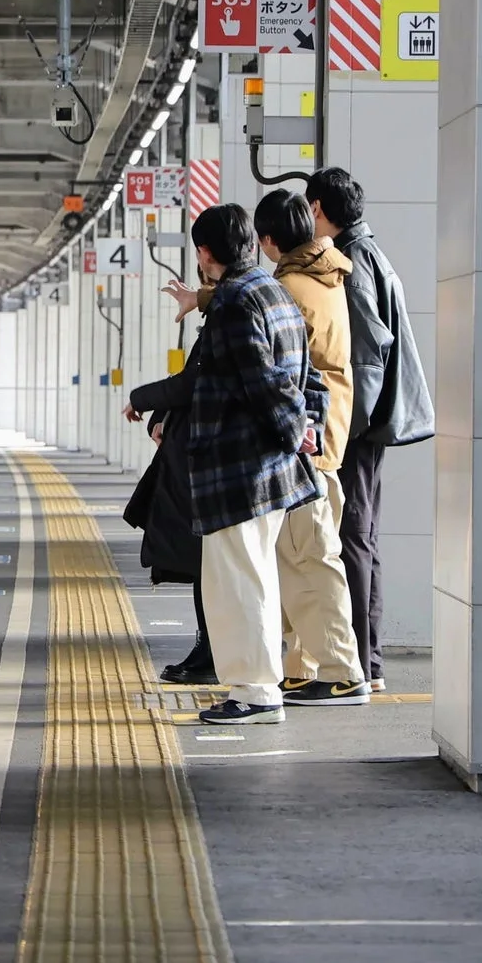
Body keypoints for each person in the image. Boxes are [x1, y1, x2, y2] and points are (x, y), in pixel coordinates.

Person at [183, 204, 321, 725]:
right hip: (269, 469)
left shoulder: (234, 301)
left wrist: (293, 430)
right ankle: (259, 687)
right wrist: (308, 427)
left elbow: (262, 381)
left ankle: (256, 692)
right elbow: (309, 375)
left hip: (238, 471)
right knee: (255, 576)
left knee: (238, 584)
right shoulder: (274, 290)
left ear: (205, 252)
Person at [302, 168, 434, 691]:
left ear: (317, 209)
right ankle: (367, 660)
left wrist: (343, 431)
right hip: (370, 422)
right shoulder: (367, 252)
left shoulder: (352, 262)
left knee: (353, 537)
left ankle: (360, 662)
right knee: (363, 537)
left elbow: (364, 358)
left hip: (358, 426)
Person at [254, 189, 368, 706]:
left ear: (269, 240)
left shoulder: (291, 288)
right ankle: (302, 668)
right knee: (299, 559)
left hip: (305, 445)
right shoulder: (328, 278)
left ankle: (343, 671)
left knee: (311, 558)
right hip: (326, 440)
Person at [124, 331, 214, 684]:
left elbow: (196, 381)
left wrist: (142, 399)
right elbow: (192, 380)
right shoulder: (222, 316)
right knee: (205, 564)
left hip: (220, 467)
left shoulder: (236, 312)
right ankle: (210, 651)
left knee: (216, 566)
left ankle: (218, 657)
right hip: (202, 466)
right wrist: (163, 414)